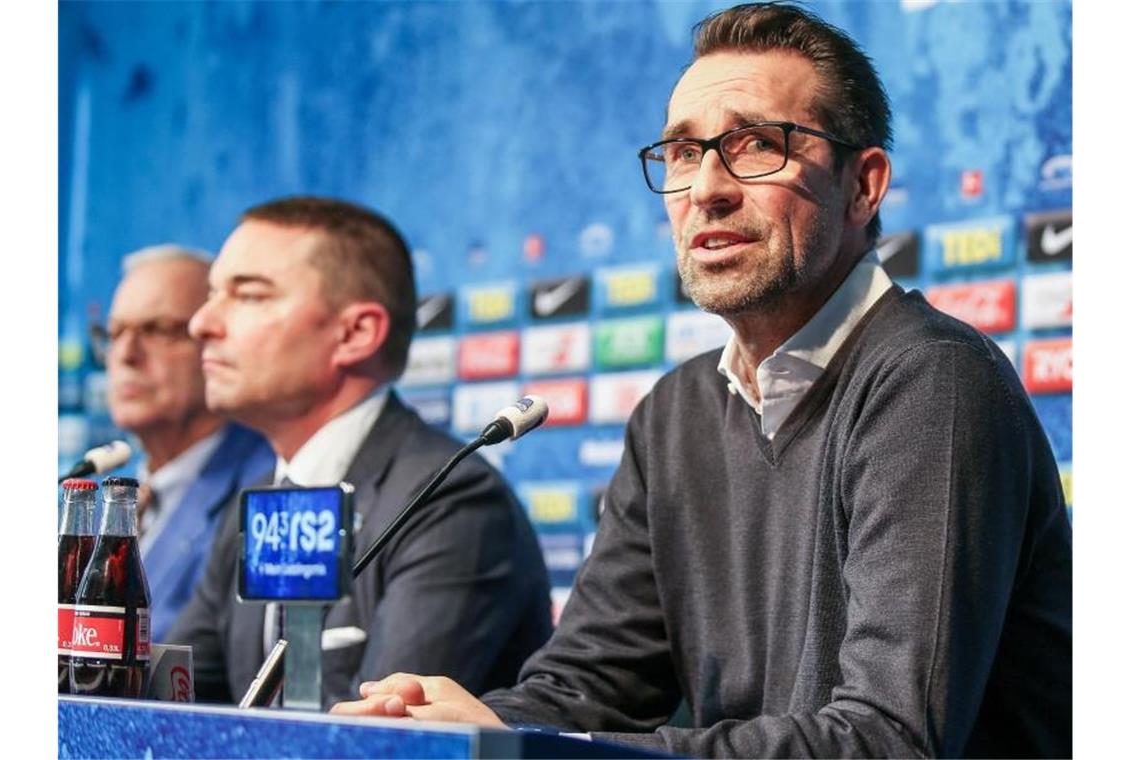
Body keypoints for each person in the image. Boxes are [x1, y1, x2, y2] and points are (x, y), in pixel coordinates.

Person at [330, 4, 1073, 757]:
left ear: (863, 187)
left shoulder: (932, 382)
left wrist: (566, 745)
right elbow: (588, 683)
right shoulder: (675, 413)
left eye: (757, 145)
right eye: (683, 154)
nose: (707, 188)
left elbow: (890, 739)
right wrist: (481, 726)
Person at [168, 196, 552, 706]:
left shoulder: (451, 500)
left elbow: (381, 735)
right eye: (214, 293)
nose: (202, 324)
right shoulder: (262, 493)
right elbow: (179, 703)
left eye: (249, 295)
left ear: (355, 333)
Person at [101, 245, 274, 643]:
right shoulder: (102, 497)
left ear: (216, 341)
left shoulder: (267, 488)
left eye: (158, 330)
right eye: (114, 333)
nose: (126, 354)